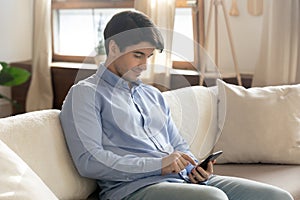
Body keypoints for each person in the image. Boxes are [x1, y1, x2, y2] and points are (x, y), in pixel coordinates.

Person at [59, 11, 294, 200]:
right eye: (137, 55)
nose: (144, 65)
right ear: (113, 48)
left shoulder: (152, 95)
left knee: (276, 195)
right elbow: (90, 161)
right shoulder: (85, 94)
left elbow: (178, 144)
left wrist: (194, 167)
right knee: (212, 198)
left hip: (182, 180)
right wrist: (158, 166)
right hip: (133, 189)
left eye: (148, 57)